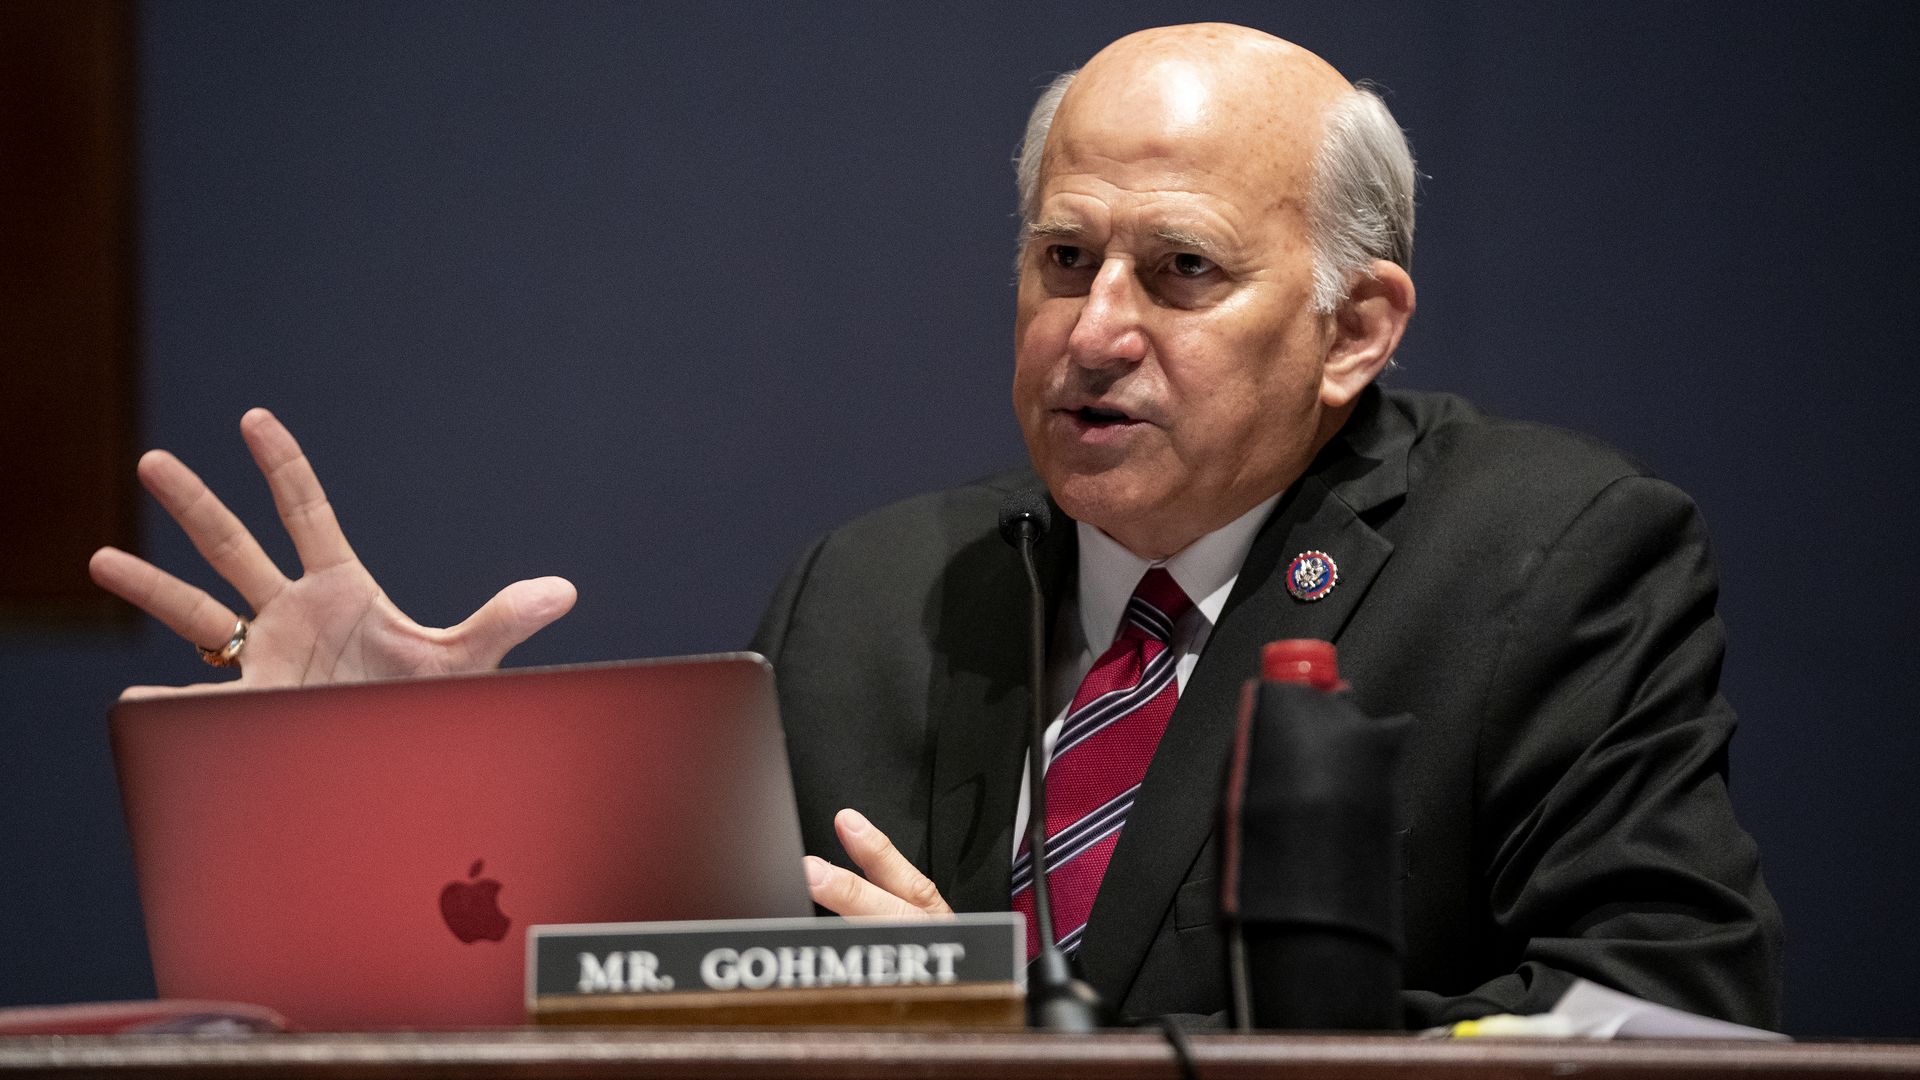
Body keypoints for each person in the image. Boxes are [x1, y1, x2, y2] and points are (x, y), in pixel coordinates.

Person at [91, 24, 1781, 1028]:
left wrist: (1054, 1040)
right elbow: (663, 1014)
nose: (1095, 328)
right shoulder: (874, 595)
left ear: (1356, 325)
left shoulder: (1548, 561)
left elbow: (1668, 1021)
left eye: (1180, 271)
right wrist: (402, 790)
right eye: (1063, 260)